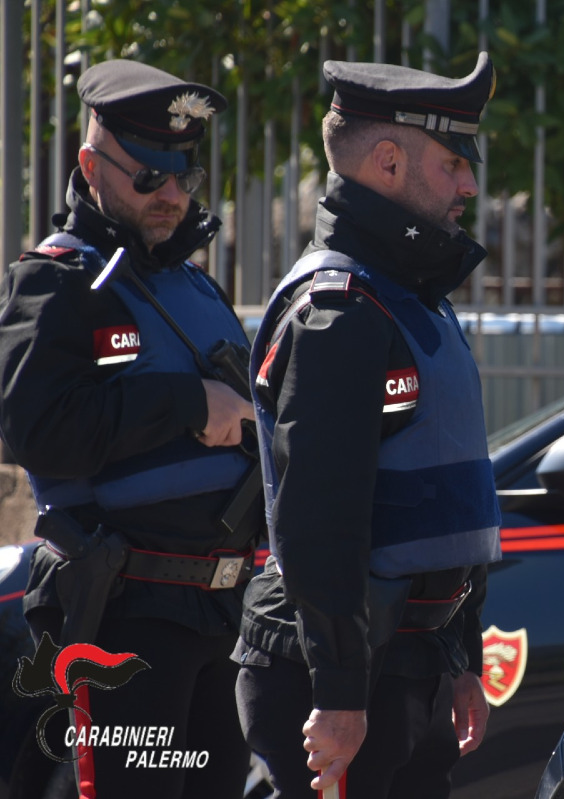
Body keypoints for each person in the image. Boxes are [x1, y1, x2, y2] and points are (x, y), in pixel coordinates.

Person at [234, 53, 502, 797]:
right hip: (344, 673)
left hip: (408, 660)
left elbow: (447, 496)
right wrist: (341, 692)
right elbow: (320, 520)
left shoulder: (411, 296)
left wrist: (460, 660)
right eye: (452, 163)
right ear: (388, 162)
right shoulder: (341, 310)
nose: (469, 185)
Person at [0, 60, 260, 797]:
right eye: (151, 177)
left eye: (185, 177)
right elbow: (38, 430)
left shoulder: (194, 284)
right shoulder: (55, 281)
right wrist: (183, 402)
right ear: (92, 164)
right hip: (121, 622)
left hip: (219, 614)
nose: (173, 195)